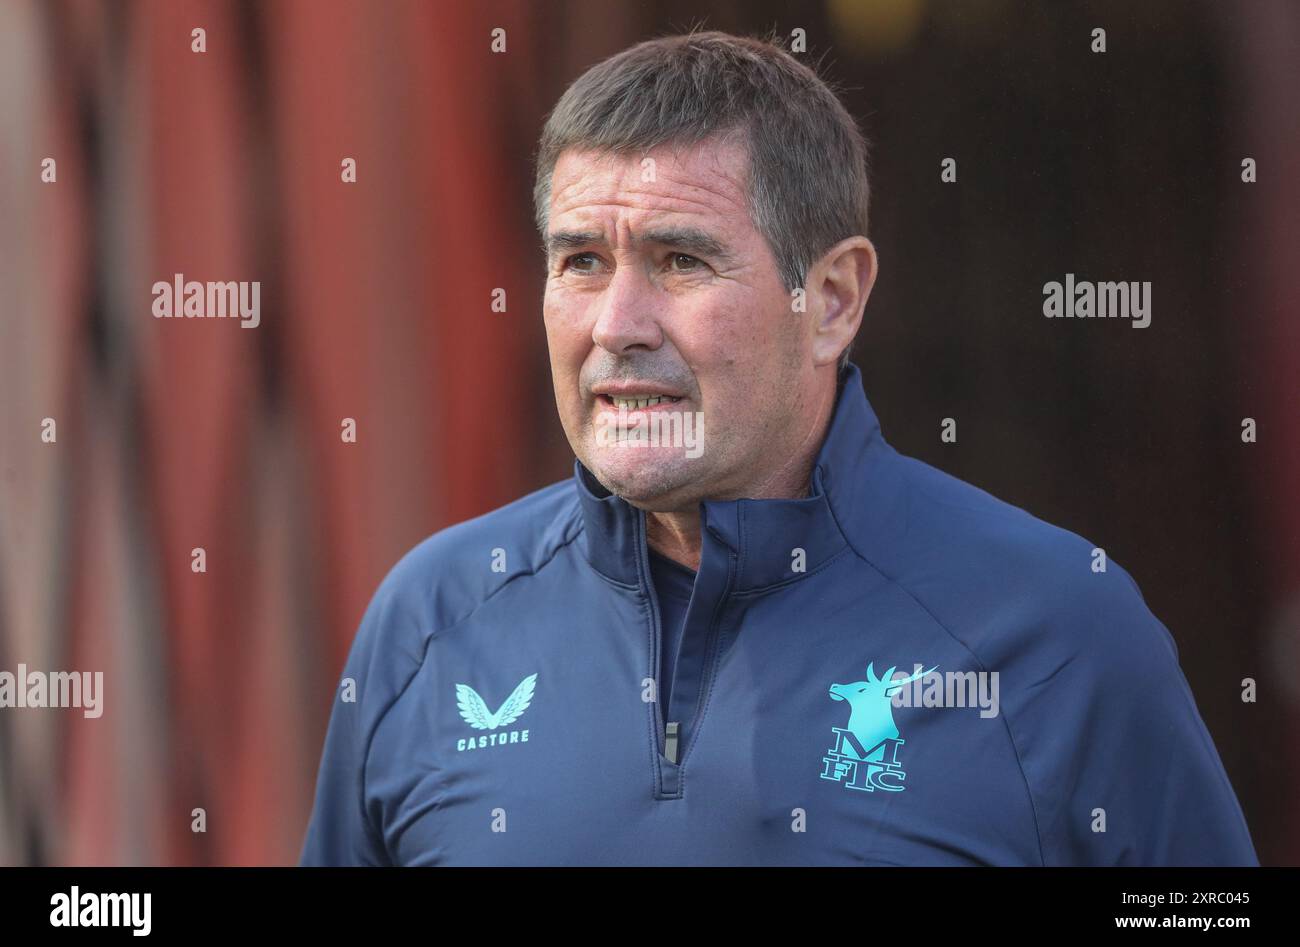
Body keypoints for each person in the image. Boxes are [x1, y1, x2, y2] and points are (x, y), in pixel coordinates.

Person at [300, 30, 1257, 865]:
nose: (617, 325)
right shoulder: (430, 623)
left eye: (681, 261)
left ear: (832, 301)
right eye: (581, 261)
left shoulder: (1058, 635)